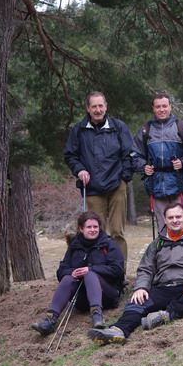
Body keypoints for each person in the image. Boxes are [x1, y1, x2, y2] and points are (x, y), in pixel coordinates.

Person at [87, 203, 183, 346]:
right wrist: (141, 288)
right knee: (136, 301)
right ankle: (119, 330)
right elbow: (145, 269)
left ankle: (167, 315)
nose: (175, 220)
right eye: (171, 217)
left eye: (178, 217)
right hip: (162, 288)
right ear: (165, 220)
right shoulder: (157, 243)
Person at [64, 92, 133, 261]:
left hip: (117, 186)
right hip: (92, 187)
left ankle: (118, 275)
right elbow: (70, 155)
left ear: (106, 106)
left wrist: (124, 177)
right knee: (94, 233)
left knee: (117, 232)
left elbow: (129, 154)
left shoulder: (119, 127)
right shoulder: (78, 130)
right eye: (94, 106)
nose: (97, 110)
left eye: (100, 106)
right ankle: (99, 273)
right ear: (88, 108)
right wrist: (79, 170)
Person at [31, 211, 125, 335]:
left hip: (106, 295)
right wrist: (72, 272)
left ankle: (97, 316)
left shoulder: (109, 244)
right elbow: (61, 271)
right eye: (89, 227)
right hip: (81, 299)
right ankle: (50, 319)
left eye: (95, 227)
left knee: (90, 274)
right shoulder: (74, 246)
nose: (93, 230)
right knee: (67, 278)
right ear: (81, 229)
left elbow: (118, 270)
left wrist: (91, 269)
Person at [131, 92, 183, 228]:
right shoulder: (146, 130)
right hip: (156, 185)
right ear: (153, 109)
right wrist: (143, 166)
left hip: (180, 183)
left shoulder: (181, 127)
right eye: (158, 107)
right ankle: (165, 250)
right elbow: (134, 154)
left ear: (170, 107)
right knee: (163, 228)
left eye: (164, 106)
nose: (161, 109)